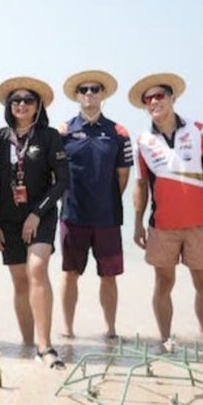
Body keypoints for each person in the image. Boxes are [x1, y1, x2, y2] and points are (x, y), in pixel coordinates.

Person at [129, 73, 203, 343]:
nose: (153, 101)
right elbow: (140, 185)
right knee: (163, 283)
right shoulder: (141, 141)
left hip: (199, 224)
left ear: (173, 98)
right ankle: (165, 341)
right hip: (162, 227)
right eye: (148, 99)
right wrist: (137, 223)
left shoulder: (198, 130)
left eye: (159, 95)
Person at [0, 76, 68, 368]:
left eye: (28, 100)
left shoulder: (49, 137)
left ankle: (45, 346)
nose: (21, 104)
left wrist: (37, 213)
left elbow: (62, 181)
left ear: (38, 107)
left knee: (37, 268)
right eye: (16, 100)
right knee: (20, 281)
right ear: (9, 106)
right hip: (6, 219)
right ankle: (27, 345)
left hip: (41, 214)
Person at [58, 71, 133, 339]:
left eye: (95, 89)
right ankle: (67, 330)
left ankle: (110, 330)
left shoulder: (118, 133)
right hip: (72, 215)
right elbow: (54, 175)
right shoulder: (63, 131)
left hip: (107, 217)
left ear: (103, 95)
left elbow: (123, 176)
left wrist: (105, 198)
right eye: (83, 89)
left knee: (109, 276)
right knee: (70, 273)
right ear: (77, 96)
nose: (89, 93)